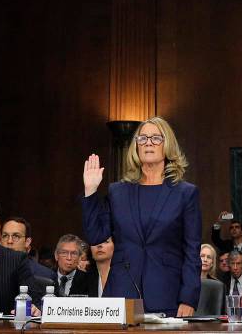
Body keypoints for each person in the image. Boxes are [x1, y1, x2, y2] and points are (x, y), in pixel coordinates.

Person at [82, 116, 202, 316]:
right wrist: (91, 191)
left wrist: (188, 297)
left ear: (168, 145)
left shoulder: (185, 193)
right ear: (135, 146)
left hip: (167, 294)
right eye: (142, 138)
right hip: (121, 294)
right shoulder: (117, 191)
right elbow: (96, 236)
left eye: (156, 138)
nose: (148, 143)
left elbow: (192, 250)